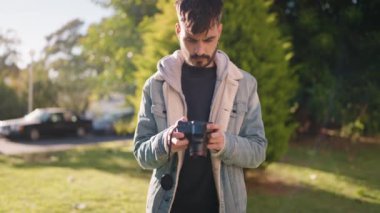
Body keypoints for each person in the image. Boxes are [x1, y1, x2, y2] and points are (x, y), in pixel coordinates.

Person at [133, 0, 267, 212]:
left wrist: (225, 143)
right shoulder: (155, 85)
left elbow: (258, 151)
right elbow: (141, 153)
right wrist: (166, 141)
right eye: (191, 40)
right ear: (178, 30)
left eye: (209, 39)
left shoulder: (244, 84)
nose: (200, 49)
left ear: (220, 31)